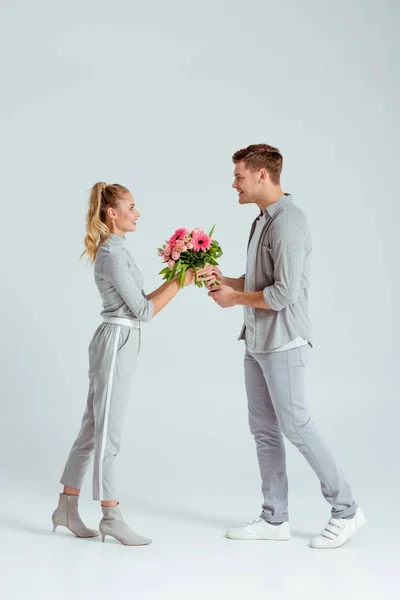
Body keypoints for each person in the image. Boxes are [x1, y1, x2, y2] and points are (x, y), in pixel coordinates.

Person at [203, 144, 366, 549]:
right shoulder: (262, 220)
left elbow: (284, 294)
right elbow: (260, 281)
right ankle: (275, 518)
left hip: (283, 341)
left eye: (239, 176)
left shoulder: (289, 223)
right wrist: (226, 281)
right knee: (264, 430)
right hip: (257, 341)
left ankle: (346, 510)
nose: (234, 184)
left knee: (296, 425)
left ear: (262, 175)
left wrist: (234, 299)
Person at [52, 182, 207, 546]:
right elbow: (143, 311)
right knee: (108, 430)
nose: (138, 213)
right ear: (112, 213)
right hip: (117, 340)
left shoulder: (119, 250)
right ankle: (111, 515)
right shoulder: (113, 254)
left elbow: (140, 303)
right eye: (132, 207)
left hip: (121, 337)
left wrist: (179, 275)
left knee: (93, 427)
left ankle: (66, 507)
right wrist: (181, 280)